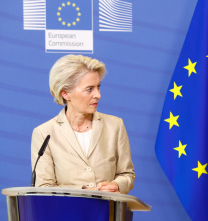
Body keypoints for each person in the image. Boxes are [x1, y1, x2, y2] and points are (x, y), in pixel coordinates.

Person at [31, 55, 135, 194]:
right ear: (66, 93)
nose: (98, 95)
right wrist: (86, 191)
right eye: (89, 89)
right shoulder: (45, 133)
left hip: (108, 213)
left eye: (98, 87)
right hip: (65, 213)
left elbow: (127, 174)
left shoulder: (115, 126)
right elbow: (43, 187)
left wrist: (117, 185)